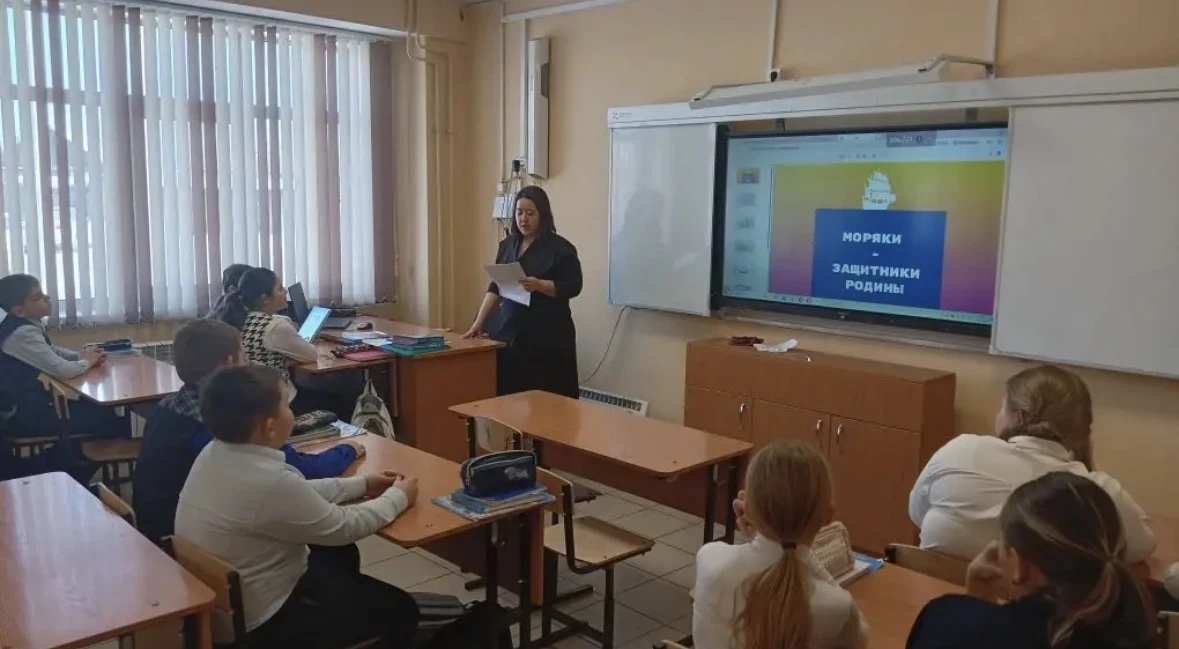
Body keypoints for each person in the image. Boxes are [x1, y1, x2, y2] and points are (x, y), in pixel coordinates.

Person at [175, 365, 420, 649]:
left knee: (336, 560)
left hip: (231, 606)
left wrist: (362, 485)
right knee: (402, 610)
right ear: (269, 427)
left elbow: (295, 494)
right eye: (287, 406)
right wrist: (398, 498)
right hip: (265, 623)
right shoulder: (270, 482)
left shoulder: (215, 453)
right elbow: (343, 526)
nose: (293, 413)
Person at [133, 319, 363, 545]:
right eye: (244, 356)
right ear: (230, 363)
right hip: (185, 545)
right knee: (333, 546)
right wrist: (348, 449)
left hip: (158, 532)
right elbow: (305, 472)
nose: (250, 362)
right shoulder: (224, 424)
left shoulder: (168, 407)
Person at [909, 364, 1155, 563]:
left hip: (930, 594)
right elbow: (1141, 545)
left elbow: (917, 513)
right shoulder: (1097, 489)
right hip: (1032, 608)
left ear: (1018, 417)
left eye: (1001, 409)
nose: (997, 416)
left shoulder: (960, 449)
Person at [906, 471, 1156, 649]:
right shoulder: (1137, 630)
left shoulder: (943, 620)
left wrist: (974, 603)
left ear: (1020, 566)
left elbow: (976, 634)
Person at [693, 440, 868, 649]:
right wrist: (796, 550)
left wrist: (758, 539)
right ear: (828, 516)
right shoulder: (838, 608)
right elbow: (862, 638)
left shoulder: (710, 559)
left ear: (748, 508)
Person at [462, 186, 583, 398]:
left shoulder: (560, 249)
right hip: (512, 334)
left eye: (530, 213)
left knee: (547, 401)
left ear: (542, 215)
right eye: (519, 212)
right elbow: (496, 286)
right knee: (510, 397)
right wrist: (478, 323)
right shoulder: (508, 245)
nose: (523, 219)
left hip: (547, 338)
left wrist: (540, 285)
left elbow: (573, 286)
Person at [0, 274, 127, 447]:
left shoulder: (23, 324)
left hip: (29, 406)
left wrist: (80, 356)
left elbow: (51, 350)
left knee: (99, 411)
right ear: (19, 310)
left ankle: (67, 459)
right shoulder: (21, 334)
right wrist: (88, 362)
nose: (47, 298)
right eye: (37, 298)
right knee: (107, 420)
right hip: (21, 416)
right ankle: (66, 462)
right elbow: (64, 370)